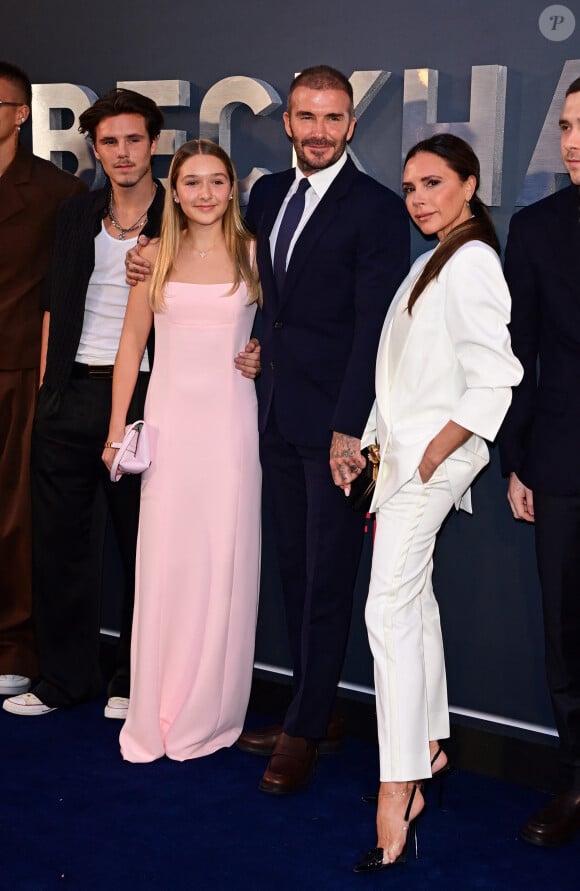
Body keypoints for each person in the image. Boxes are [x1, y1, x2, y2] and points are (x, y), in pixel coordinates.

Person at [343, 134, 522, 872]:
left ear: (470, 184)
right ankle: (424, 749)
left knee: (385, 610)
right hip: (405, 459)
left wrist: (433, 452)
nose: (419, 197)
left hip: (431, 463)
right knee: (409, 605)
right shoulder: (431, 259)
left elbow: (495, 377)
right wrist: (366, 442)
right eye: (410, 185)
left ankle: (399, 784)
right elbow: (404, 375)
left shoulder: (474, 260)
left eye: (434, 183)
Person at [235, 65, 410, 795]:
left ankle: (305, 729)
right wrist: (255, 343)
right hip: (275, 412)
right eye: (305, 116)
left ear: (350, 125)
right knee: (295, 570)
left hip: (339, 427)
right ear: (287, 123)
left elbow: (376, 327)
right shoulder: (267, 192)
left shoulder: (374, 208)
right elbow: (271, 298)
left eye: (332, 118)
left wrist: (349, 429)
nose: (317, 130)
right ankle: (318, 706)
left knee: (329, 576)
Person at [3, 88, 165, 720]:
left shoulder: (180, 217)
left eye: (132, 139)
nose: (121, 153)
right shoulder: (76, 215)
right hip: (69, 393)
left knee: (141, 547)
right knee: (62, 546)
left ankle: (133, 680)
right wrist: (49, 393)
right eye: (108, 142)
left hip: (146, 400)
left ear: (153, 143)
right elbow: (52, 309)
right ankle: (65, 679)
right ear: (94, 149)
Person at [101, 138, 262, 762]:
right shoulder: (152, 256)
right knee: (167, 565)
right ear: (174, 189)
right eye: (191, 182)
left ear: (232, 189)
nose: (204, 194)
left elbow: (284, 333)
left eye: (216, 182)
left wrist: (261, 355)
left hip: (229, 429)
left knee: (221, 561)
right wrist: (118, 431)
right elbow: (129, 349)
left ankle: (210, 710)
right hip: (168, 427)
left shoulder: (255, 256)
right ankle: (156, 705)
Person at [498, 77, 580, 847]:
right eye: (566, 126)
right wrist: (517, 460)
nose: (574, 141)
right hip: (561, 458)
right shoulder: (538, 226)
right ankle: (578, 780)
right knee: (566, 632)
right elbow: (519, 353)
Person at [0, 61, 85, 697]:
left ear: (22, 113)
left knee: (14, 517)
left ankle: (15, 647)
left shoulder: (58, 193)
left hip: (18, 371)